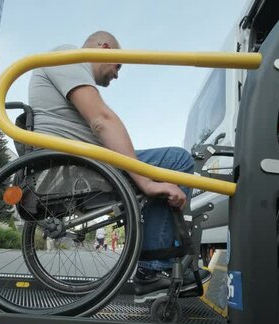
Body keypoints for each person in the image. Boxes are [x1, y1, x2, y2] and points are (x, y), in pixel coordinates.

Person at [28, 31, 210, 299]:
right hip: (80, 165)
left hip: (79, 160)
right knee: (177, 159)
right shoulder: (68, 56)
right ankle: (152, 269)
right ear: (104, 48)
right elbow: (102, 120)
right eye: (118, 65)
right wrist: (146, 181)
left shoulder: (69, 69)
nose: (117, 74)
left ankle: (156, 262)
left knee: (153, 168)